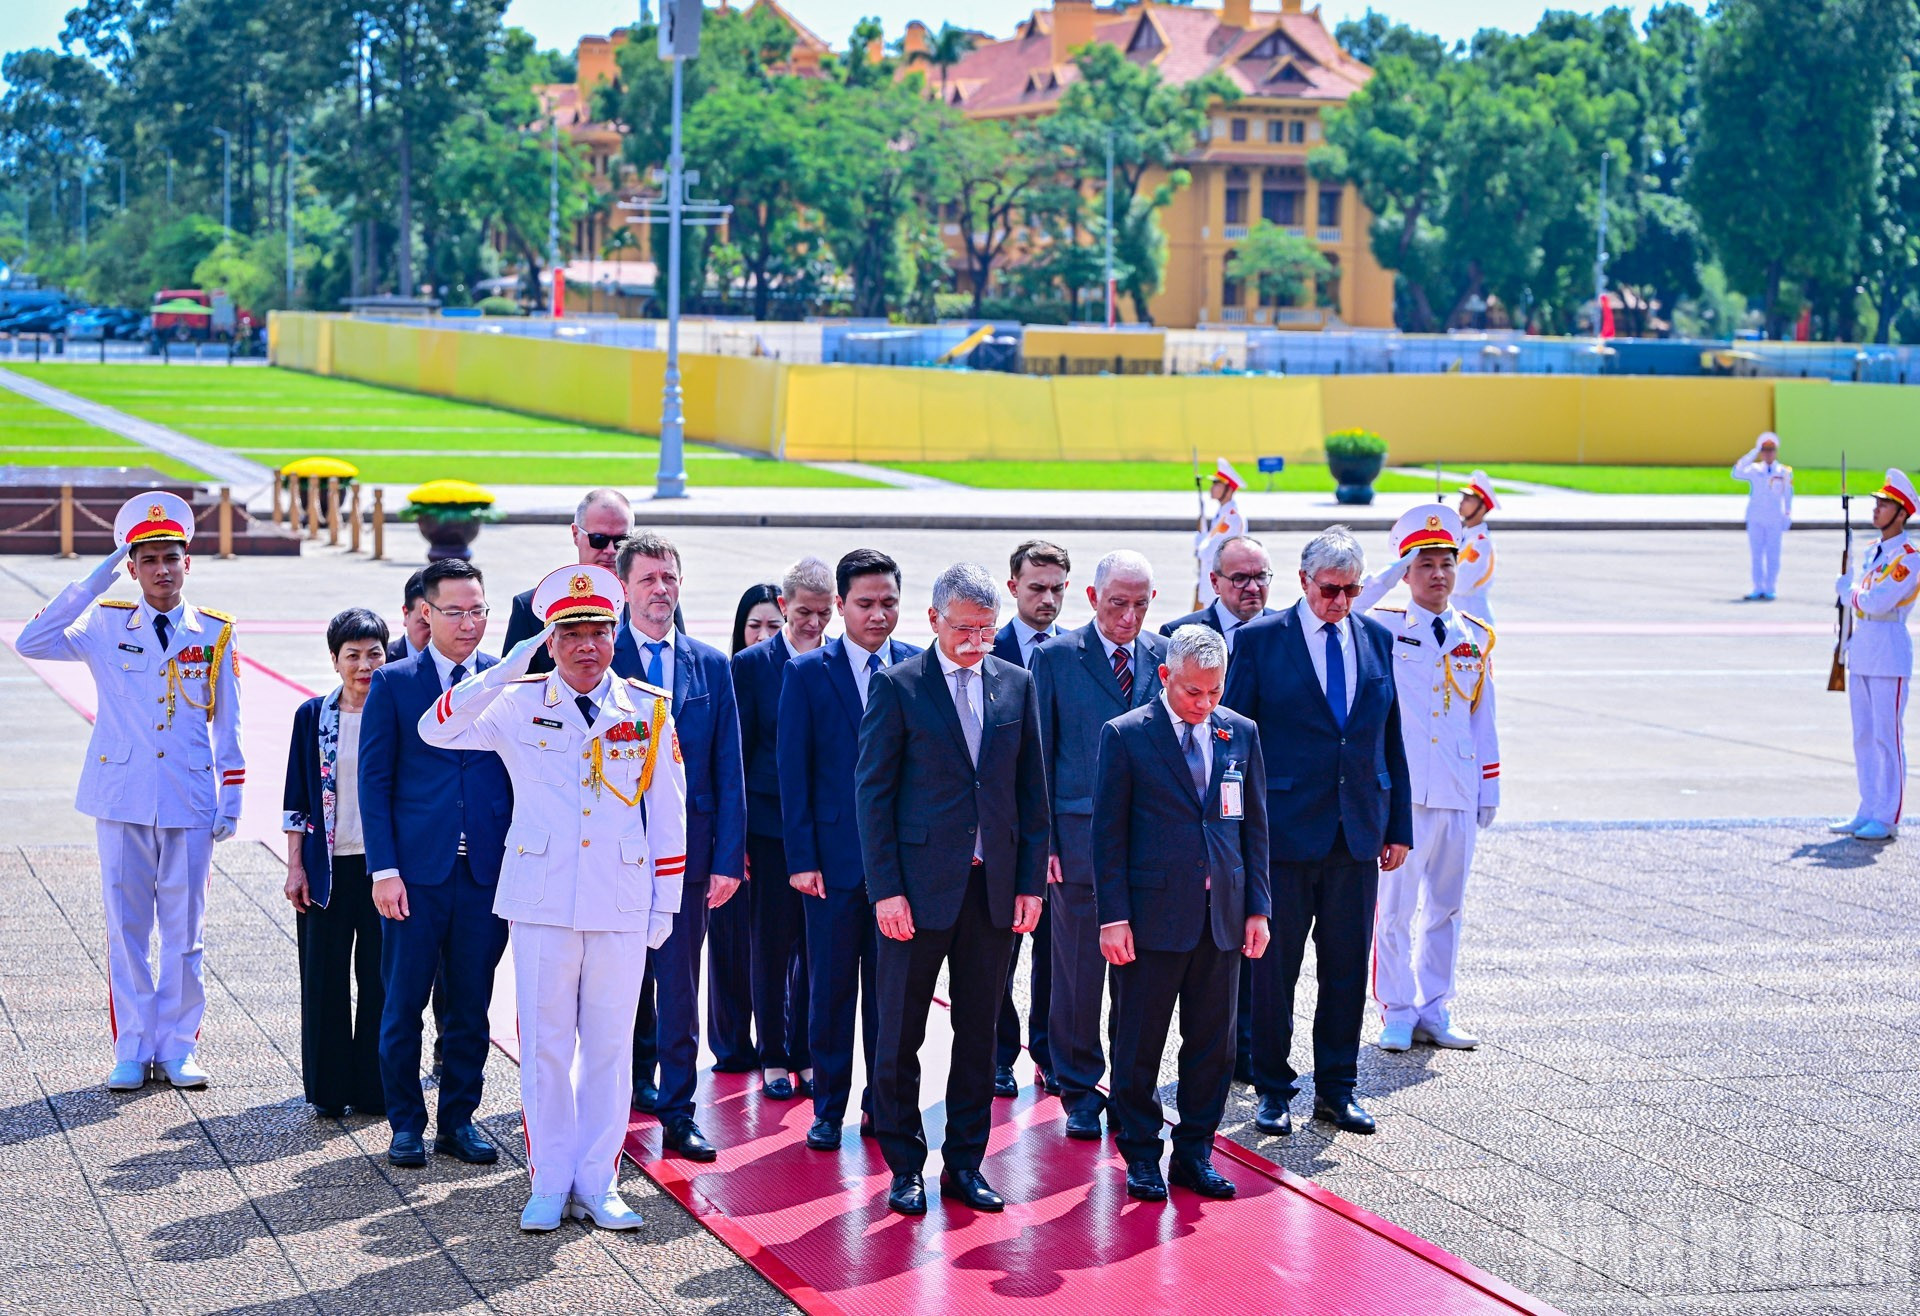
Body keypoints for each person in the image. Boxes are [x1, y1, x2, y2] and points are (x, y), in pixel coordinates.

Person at [419, 564, 686, 1232]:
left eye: (598, 629)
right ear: (550, 638)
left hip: (621, 903)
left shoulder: (648, 709)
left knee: (608, 1048)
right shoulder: (517, 701)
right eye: (570, 633)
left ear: (615, 632)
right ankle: (549, 1180)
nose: (587, 645)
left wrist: (665, 906)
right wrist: (507, 667)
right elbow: (436, 728)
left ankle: (599, 1181)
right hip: (541, 903)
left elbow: (670, 815)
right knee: (543, 1047)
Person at [17, 492, 243, 1092]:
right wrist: (96, 579)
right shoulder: (104, 621)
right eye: (148, 559)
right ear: (133, 566)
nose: (162, 569)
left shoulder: (214, 631)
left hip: (190, 798)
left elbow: (230, 722)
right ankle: (132, 1045)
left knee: (185, 930)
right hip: (121, 796)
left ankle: (177, 1045)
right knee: (127, 928)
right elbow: (32, 642)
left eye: (172, 557)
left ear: (187, 563)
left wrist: (234, 795)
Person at [857, 563, 1049, 1216]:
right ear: (934, 620)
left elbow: (1031, 793)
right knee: (899, 1036)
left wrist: (1030, 882)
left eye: (986, 629)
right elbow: (873, 795)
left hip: (990, 893)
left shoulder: (1016, 685)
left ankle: (965, 1165)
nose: (975, 640)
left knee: (979, 1036)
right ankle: (904, 1165)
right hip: (915, 892)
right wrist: (886, 890)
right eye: (963, 627)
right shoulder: (900, 687)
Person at [1222, 526, 1411, 1137]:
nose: (1341, 601)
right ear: (1304, 582)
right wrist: (1233, 830)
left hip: (1356, 832)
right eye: (1330, 589)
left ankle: (1337, 1089)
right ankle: (1274, 1089)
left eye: (1352, 590)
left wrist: (1398, 822)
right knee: (1274, 971)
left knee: (1347, 968)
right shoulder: (1260, 641)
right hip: (1280, 833)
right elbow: (1235, 742)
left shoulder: (1377, 639)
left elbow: (1390, 737)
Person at [1094, 625, 1270, 1202]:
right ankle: (1142, 1154)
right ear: (1166, 676)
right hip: (1150, 919)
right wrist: (1112, 916)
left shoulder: (1239, 732)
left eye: (1215, 692)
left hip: (1221, 914)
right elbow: (1108, 837)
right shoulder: (1126, 736)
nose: (1205, 704)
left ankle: (1195, 1153)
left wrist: (1257, 909)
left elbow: (1255, 830)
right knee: (1139, 1042)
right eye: (1194, 692)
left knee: (1212, 1046)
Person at [359, 558, 513, 1169]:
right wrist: (384, 869)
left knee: (472, 1006)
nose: (470, 623)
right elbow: (374, 781)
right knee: (403, 1005)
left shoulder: (507, 682)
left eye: (479, 610)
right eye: (456, 611)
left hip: (484, 875)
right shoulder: (395, 683)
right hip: (415, 877)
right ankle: (405, 1124)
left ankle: (458, 1121)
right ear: (426, 612)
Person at [778, 549, 921, 1152]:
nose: (878, 615)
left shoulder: (919, 667)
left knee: (890, 998)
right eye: (865, 604)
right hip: (832, 865)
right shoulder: (810, 672)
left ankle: (881, 1105)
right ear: (840, 607)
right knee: (831, 990)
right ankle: (828, 1106)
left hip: (901, 867)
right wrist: (802, 858)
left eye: (889, 602)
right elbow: (794, 771)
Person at [617, 532, 746, 1162]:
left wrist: (726, 859)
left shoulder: (709, 664)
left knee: (677, 989)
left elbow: (729, 767)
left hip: (685, 860)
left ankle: (679, 1113)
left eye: (669, 578)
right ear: (624, 587)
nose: (661, 590)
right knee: (610, 988)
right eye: (648, 579)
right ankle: (609, 1105)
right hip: (608, 854)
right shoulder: (596, 655)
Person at [1353, 506, 1500, 1052]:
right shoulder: (1388, 625)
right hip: (1405, 794)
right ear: (1408, 572)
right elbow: (1347, 609)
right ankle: (1397, 1007)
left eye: (1446, 563)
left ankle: (1435, 1007)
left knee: (1447, 905)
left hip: (1458, 788)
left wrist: (1490, 786)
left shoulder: (1475, 636)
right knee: (1393, 908)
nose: (1438, 574)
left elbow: (1483, 716)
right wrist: (1389, 574)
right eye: (1425, 564)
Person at [1031, 550, 1165, 1140]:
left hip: (1150, 848)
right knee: (1079, 975)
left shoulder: (1166, 657)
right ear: (1091, 598)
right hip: (1078, 842)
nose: (1128, 616)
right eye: (1117, 603)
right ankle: (1079, 1089)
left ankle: (1131, 1088)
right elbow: (1036, 757)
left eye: (1140, 604)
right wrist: (1047, 843)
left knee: (1140, 978)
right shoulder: (1056, 658)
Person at [283, 609, 390, 1116]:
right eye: (353, 655)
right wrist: (295, 867)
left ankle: (373, 1088)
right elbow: (297, 798)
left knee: (380, 980)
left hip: (383, 870)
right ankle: (328, 1090)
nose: (364, 665)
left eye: (374, 654)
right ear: (334, 660)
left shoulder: (395, 711)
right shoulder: (312, 716)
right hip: (327, 871)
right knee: (324, 979)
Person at [735, 562, 833, 1105]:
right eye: (802, 614)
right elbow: (739, 755)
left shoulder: (839, 661)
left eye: (823, 614)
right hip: (770, 829)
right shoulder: (751, 666)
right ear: (783, 603)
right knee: (773, 945)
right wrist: (741, 838)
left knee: (822, 949)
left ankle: (806, 1052)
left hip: (828, 828)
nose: (812, 624)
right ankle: (772, 1051)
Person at [988, 540, 1070, 1098]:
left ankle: (1048, 1050)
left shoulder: (1077, 652)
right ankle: (998, 1052)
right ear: (1012, 586)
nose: (1048, 599)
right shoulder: (981, 649)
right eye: (1037, 587)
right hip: (1000, 833)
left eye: (1057, 589)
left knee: (1056, 954)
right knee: (997, 952)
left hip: (1060, 833)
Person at [703, 582, 784, 1077]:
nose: (761, 634)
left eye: (773, 625)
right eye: (753, 624)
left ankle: (782, 1040)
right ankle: (732, 1044)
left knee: (780, 947)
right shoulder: (726, 675)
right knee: (730, 943)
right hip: (735, 833)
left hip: (781, 833)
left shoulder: (796, 673)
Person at [1831, 469, 1918, 843]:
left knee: (1887, 736)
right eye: (1877, 503)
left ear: (1902, 513)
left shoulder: (1910, 557)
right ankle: (1867, 807)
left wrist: (1849, 592)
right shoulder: (1871, 552)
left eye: (1885, 504)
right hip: (1863, 648)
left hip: (1889, 648)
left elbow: (1877, 601)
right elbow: (1860, 604)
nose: (1877, 509)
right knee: (1863, 735)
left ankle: (1887, 815)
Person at [501, 489, 634, 675]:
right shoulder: (530, 608)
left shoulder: (651, 602)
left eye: (621, 540)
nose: (611, 550)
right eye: (599, 539)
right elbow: (510, 690)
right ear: (575, 534)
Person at [1160, 535, 1280, 655]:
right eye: (1240, 578)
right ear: (1215, 582)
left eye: (1261, 577)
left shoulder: (1290, 631)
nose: (1253, 588)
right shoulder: (1177, 636)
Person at [1732, 434, 1793, 601]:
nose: (1768, 454)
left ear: (1776, 451)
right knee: (1757, 554)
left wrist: (1788, 513)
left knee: (1773, 554)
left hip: (1774, 517)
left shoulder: (1783, 472)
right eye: (1765, 450)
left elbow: (1788, 494)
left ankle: (1770, 588)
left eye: (1771, 450)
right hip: (1756, 516)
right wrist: (1753, 452)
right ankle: (1757, 587)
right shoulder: (1754, 469)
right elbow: (1736, 472)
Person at [1193, 458, 1246, 608]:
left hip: (1220, 582)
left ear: (1228, 489)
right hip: (1212, 581)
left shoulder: (1232, 516)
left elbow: (1214, 550)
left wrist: (1200, 542)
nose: (1212, 487)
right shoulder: (1222, 513)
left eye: (1217, 484)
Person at [1453, 472, 1499, 621]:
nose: (1461, 502)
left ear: (1481, 507)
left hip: (1473, 616)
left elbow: (1460, 585)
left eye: (1468, 499)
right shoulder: (1464, 535)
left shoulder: (1481, 543)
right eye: (1462, 498)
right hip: (1460, 612)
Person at [390, 570, 430, 662]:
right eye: (426, 624)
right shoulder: (382, 662)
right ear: (406, 614)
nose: (435, 633)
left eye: (440, 624)